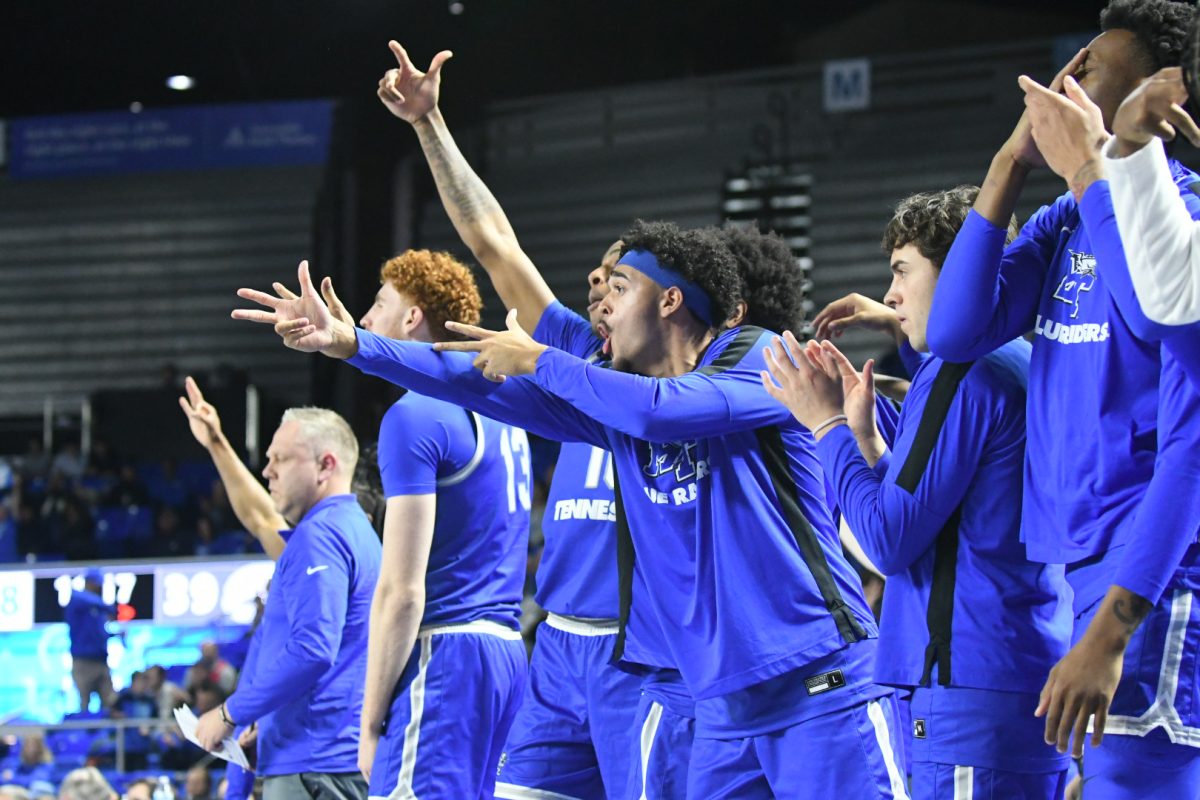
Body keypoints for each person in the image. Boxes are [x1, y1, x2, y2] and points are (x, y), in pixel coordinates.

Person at [234, 221, 908, 798]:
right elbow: (474, 381)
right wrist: (354, 345)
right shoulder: (612, 394)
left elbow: (659, 414)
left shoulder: (764, 359)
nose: (600, 301)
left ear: (672, 301)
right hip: (719, 704)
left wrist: (540, 361)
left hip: (819, 681)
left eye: (620, 287)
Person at [925, 1, 1200, 796]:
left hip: (1156, 574)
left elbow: (1161, 314)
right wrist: (1012, 161)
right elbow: (954, 329)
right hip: (1087, 568)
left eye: (1092, 62)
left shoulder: (1181, 210)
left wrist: (1112, 634)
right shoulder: (1062, 223)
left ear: (1155, 93)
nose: (1068, 70)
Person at [763, 186, 1073, 798]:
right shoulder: (1019, 356)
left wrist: (825, 425)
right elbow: (942, 512)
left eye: (903, 272)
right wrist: (867, 438)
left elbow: (887, 540)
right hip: (1011, 672)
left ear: (959, 271)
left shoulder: (962, 372)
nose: (890, 296)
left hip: (967, 690)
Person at [191, 407, 381, 800]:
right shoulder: (352, 534)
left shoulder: (320, 538)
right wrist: (216, 442)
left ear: (325, 466)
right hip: (324, 758)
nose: (268, 470)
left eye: (280, 459)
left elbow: (313, 649)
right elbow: (260, 517)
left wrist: (229, 713)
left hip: (314, 765)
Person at [64, 568, 116, 712]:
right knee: (83, 704)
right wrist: (108, 608)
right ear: (89, 582)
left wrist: (114, 636)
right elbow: (82, 598)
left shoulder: (97, 610)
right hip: (83, 662)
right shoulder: (78, 600)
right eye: (97, 583)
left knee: (110, 703)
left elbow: (98, 634)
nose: (99, 587)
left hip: (101, 661)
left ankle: (108, 734)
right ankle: (80, 735)